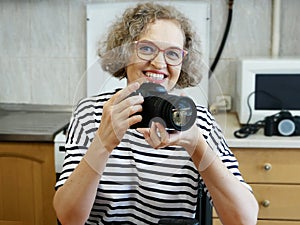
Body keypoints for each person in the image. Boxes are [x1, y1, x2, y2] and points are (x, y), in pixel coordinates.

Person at [53, 2, 258, 225]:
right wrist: (103, 144)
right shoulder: (91, 114)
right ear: (124, 53)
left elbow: (244, 220)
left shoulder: (198, 122)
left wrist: (196, 145)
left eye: (172, 53)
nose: (159, 63)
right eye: (147, 49)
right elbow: (68, 218)